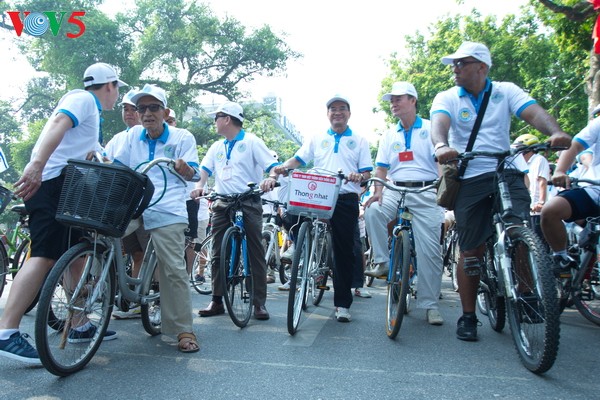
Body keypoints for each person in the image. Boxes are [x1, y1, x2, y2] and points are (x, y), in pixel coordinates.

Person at [430, 41, 571, 341]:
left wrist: (555, 131)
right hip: (470, 176)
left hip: (505, 170)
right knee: (471, 250)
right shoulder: (448, 97)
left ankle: (527, 295)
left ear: (482, 67)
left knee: (520, 233)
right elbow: (439, 124)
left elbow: (533, 114)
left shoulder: (506, 91)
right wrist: (442, 145)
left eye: (462, 63)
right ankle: (468, 316)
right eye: (454, 64)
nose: (455, 69)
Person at [0, 62, 126, 364]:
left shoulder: (91, 116)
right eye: (117, 88)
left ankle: (79, 323)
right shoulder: (82, 100)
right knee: (44, 255)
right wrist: (37, 165)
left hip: (67, 187)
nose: (117, 95)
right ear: (109, 85)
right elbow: (58, 122)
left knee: (77, 255)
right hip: (52, 184)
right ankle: (7, 331)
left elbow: (99, 154)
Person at [112, 83, 200, 353]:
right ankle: (93, 301)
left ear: (165, 111)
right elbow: (118, 167)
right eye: (141, 109)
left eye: (153, 107)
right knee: (101, 238)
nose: (147, 113)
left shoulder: (182, 137)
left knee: (173, 267)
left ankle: (184, 329)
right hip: (135, 205)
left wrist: (186, 169)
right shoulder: (130, 137)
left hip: (168, 207)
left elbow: (195, 173)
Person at [270, 94, 373, 322]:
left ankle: (342, 304)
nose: (337, 112)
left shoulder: (359, 139)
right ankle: (298, 251)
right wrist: (282, 167)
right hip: (318, 194)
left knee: (344, 251)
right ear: (327, 114)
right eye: (333, 109)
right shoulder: (317, 138)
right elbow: (297, 159)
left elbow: (367, 172)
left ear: (349, 113)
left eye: (342, 108)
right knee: (294, 215)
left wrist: (359, 175)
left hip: (345, 197)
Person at [363, 82, 445, 325]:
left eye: (398, 99)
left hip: (426, 190)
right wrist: (377, 191)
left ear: (413, 100)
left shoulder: (431, 129)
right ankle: (383, 262)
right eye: (391, 100)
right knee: (373, 211)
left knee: (430, 250)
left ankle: (430, 305)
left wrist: (443, 186)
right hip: (394, 188)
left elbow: (441, 160)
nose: (393, 103)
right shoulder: (389, 134)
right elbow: (381, 168)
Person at [192, 101, 278, 321]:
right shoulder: (216, 146)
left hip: (248, 201)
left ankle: (259, 302)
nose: (215, 122)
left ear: (227, 119)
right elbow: (204, 170)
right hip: (222, 202)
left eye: (217, 117)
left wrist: (271, 178)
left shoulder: (252, 142)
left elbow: (272, 167)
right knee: (218, 252)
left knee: (255, 251)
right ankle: (217, 299)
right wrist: (199, 186)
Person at [105, 89, 151, 319]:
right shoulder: (118, 138)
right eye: (126, 108)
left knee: (152, 254)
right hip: (122, 207)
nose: (130, 113)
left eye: (135, 108)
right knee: (135, 253)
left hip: (146, 205)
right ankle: (133, 300)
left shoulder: (147, 134)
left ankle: (156, 302)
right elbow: (108, 162)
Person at [541, 118, 600, 276]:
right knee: (550, 210)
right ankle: (561, 256)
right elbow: (575, 145)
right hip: (595, 190)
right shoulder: (598, 123)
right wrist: (560, 170)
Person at [512, 133, 550, 246]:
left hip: (537, 207)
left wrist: (541, 202)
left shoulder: (539, 159)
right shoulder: (521, 163)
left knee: (539, 242)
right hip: (527, 207)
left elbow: (542, 181)